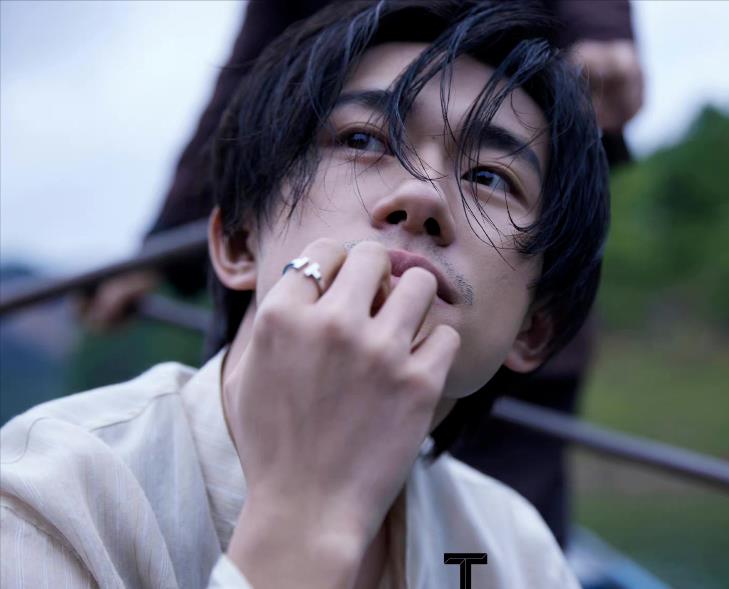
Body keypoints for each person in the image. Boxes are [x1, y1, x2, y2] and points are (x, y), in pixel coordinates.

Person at [1, 1, 611, 587]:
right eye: (363, 141)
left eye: (489, 177)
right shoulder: (44, 508)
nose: (423, 194)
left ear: (534, 327)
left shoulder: (512, 554)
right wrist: (307, 519)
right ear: (239, 242)